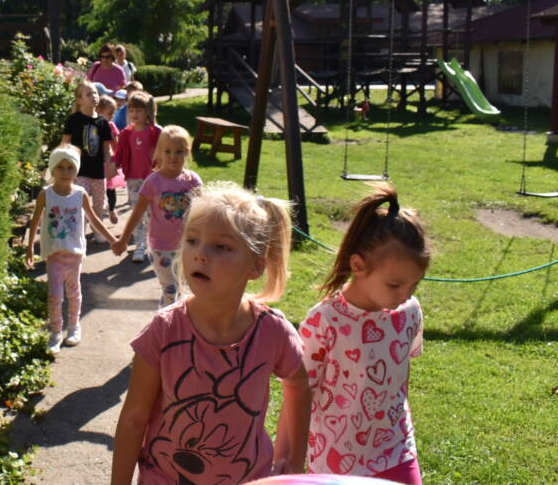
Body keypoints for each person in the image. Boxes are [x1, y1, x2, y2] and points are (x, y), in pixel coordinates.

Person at [111, 183, 311, 484]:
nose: (200, 254)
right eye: (192, 240)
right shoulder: (164, 330)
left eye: (221, 247)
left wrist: (293, 460)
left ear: (255, 265)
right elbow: (133, 419)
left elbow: (299, 385)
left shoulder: (273, 332)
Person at [299, 182, 429, 484]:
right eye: (395, 285)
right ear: (358, 265)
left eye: (414, 284)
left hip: (396, 449)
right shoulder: (324, 320)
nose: (406, 294)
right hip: (334, 458)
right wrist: (291, 452)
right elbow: (301, 392)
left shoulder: (409, 311)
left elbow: (402, 375)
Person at [26, 146, 118, 353]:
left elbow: (95, 220)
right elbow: (35, 221)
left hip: (74, 254)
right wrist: (30, 247)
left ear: (76, 170)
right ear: (52, 168)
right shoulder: (46, 194)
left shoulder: (80, 194)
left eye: (70, 168)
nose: (65, 172)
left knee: (74, 292)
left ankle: (74, 326)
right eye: (60, 167)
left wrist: (113, 240)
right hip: (54, 254)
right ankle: (56, 331)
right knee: (55, 295)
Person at [112, 125, 201, 305]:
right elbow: (137, 213)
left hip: (187, 246)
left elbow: (203, 212)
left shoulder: (192, 181)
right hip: (161, 248)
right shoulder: (153, 182)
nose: (173, 156)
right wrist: (123, 240)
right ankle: (166, 319)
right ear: (158, 152)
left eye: (179, 152)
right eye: (167, 151)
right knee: (170, 289)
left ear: (187, 152)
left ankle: (179, 319)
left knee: (186, 290)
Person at [112, 91, 160, 262]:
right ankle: (140, 245)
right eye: (131, 110)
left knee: (153, 214)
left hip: (153, 180)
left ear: (148, 112)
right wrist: (113, 164)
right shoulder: (126, 133)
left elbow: (164, 152)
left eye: (139, 110)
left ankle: (153, 243)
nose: (134, 114)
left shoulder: (155, 131)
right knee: (137, 213)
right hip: (134, 179)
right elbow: (119, 153)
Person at [62, 80, 115, 224]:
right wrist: (63, 166)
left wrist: (111, 164)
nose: (94, 96)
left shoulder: (103, 122)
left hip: (98, 172)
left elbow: (106, 148)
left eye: (95, 93)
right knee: (79, 204)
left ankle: (98, 229)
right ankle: (80, 231)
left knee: (99, 205)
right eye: (89, 94)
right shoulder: (73, 120)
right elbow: (65, 144)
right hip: (79, 172)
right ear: (79, 100)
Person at [97, 95, 126, 225]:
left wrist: (118, 160)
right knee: (97, 191)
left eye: (113, 113)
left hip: (107, 163)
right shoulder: (92, 125)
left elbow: (116, 144)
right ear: (98, 110)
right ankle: (98, 214)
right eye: (109, 113)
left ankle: (112, 209)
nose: (112, 116)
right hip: (95, 163)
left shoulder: (111, 125)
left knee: (110, 189)